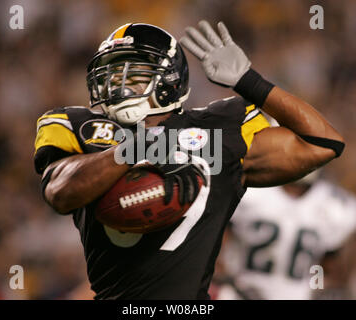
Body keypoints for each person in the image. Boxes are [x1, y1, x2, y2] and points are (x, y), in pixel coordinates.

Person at [33, 21, 344, 299]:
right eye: (112, 72)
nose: (117, 83)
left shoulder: (220, 127)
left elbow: (322, 143)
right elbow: (59, 193)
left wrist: (249, 81)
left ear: (169, 81)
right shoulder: (82, 126)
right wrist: (132, 149)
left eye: (134, 72)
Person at [210, 171, 356, 300]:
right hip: (238, 292)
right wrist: (227, 277)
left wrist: (317, 289)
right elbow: (216, 249)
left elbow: (328, 267)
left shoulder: (335, 206)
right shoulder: (252, 192)